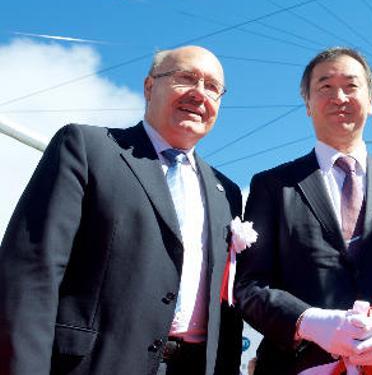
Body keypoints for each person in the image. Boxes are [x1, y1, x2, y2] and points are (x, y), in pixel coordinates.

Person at [0, 45, 243, 375]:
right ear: (149, 87)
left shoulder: (225, 191)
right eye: (186, 78)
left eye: (212, 87)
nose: (199, 94)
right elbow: (31, 273)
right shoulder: (87, 148)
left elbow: (226, 304)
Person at [235, 47, 372, 374]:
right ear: (307, 104)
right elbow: (249, 287)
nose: (339, 97)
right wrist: (310, 323)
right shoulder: (273, 186)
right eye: (325, 87)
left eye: (351, 86)